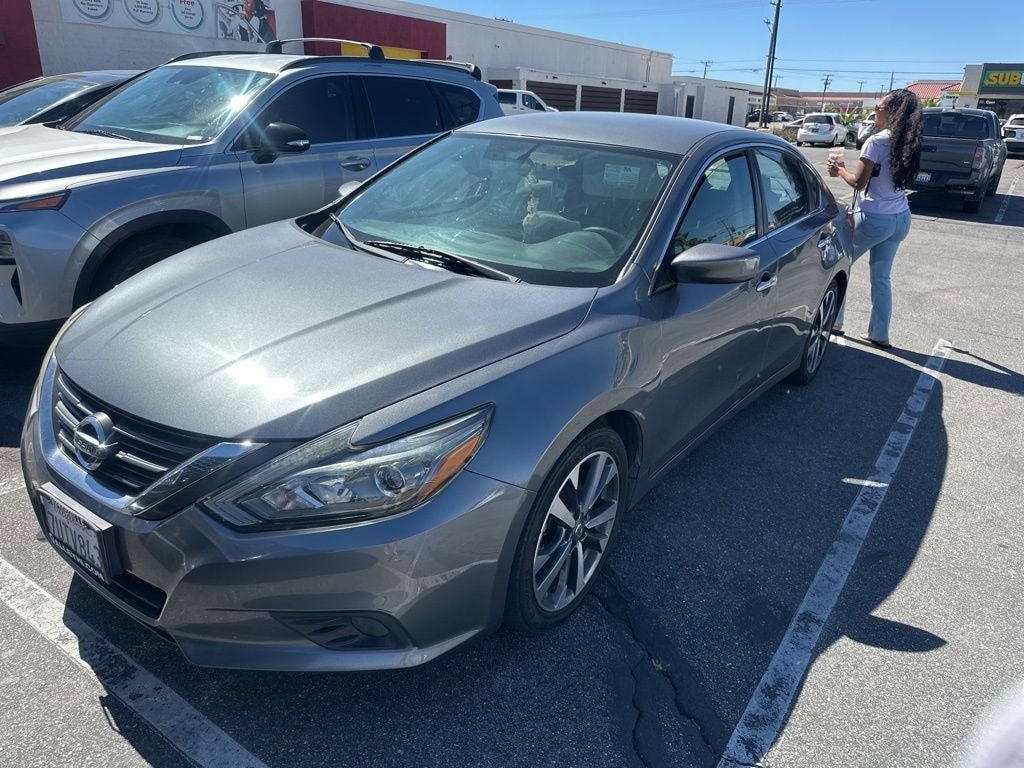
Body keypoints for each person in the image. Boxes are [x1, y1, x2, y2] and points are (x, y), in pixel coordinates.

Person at [828, 88, 923, 349]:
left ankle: (834, 321)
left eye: (878, 108)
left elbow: (858, 182)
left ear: (892, 112)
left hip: (875, 218)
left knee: (839, 263)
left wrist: (839, 169)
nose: (875, 113)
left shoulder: (877, 142)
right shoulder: (909, 140)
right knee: (881, 277)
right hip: (900, 218)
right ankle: (880, 333)